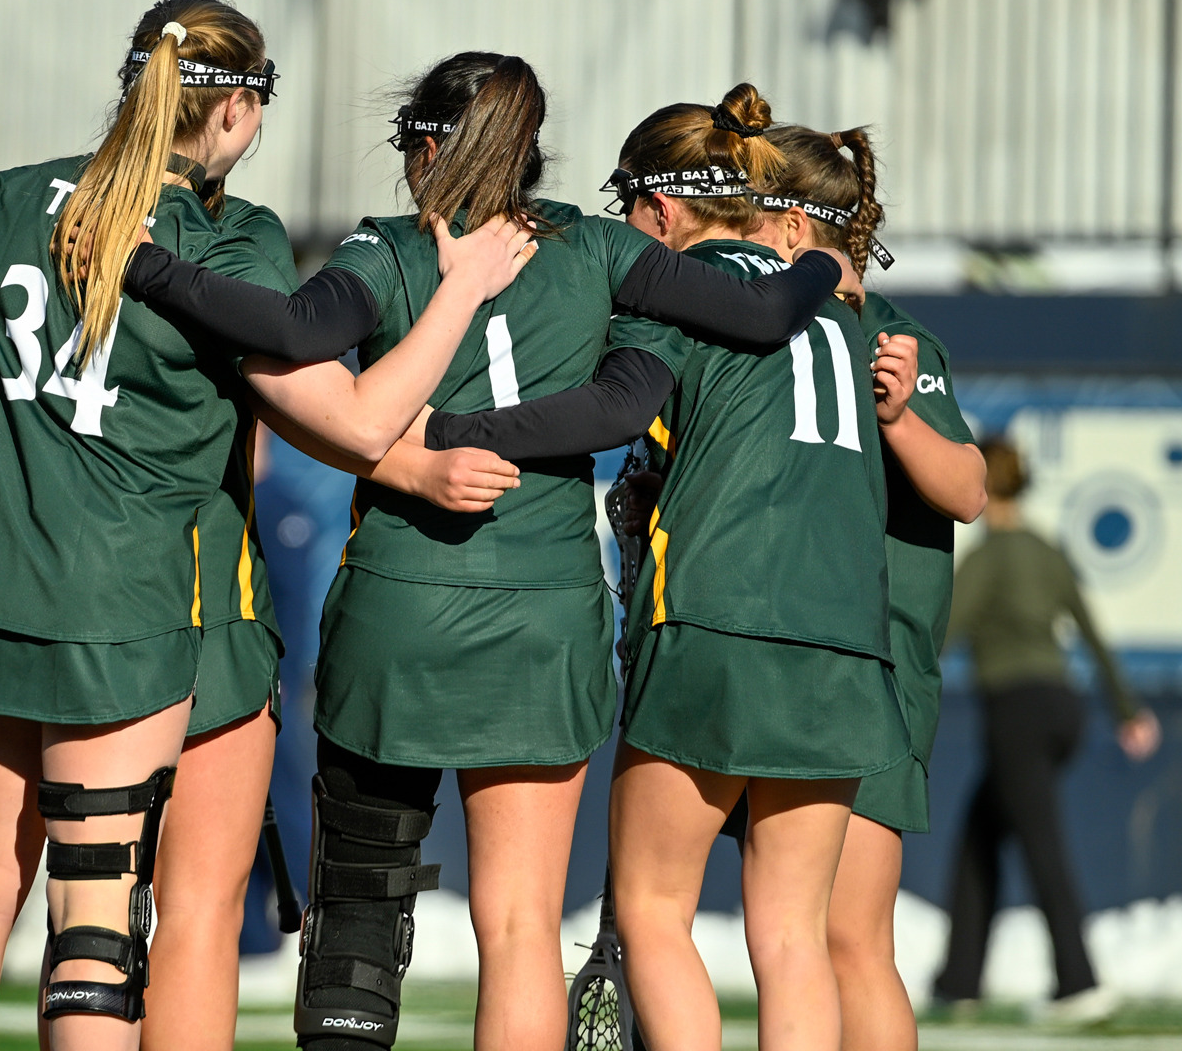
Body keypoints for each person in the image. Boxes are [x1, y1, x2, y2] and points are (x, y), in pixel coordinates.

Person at [119, 59, 858, 1051]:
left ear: (428, 148)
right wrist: (823, 262)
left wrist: (147, 267)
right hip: (545, 619)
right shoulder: (599, 244)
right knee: (519, 930)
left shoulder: (390, 246)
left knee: (360, 918)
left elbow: (292, 330)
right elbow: (757, 319)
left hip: (399, 609)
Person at [0, 0, 536, 1051]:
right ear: (234, 109)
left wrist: (10, 443)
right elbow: (349, 420)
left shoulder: (2, 198)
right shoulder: (231, 234)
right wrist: (457, 302)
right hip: (143, 602)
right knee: (120, 914)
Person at [585, 86, 909, 1051]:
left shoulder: (678, 292)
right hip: (845, 644)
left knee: (652, 908)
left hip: (717, 616)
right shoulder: (842, 315)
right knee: (793, 932)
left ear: (663, 207)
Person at [741, 124, 988, 1051]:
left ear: (793, 226)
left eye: (747, 213)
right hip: (779, 654)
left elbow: (968, 489)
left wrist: (899, 419)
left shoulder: (889, 335)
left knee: (848, 938)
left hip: (872, 671)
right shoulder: (763, 322)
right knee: (793, 933)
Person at [931, 438, 1160, 1023]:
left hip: (1017, 715)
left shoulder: (989, 556)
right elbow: (1091, 629)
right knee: (981, 835)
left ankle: (1079, 982)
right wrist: (1127, 710)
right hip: (1063, 710)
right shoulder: (1046, 549)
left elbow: (941, 634)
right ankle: (958, 982)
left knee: (1042, 846)